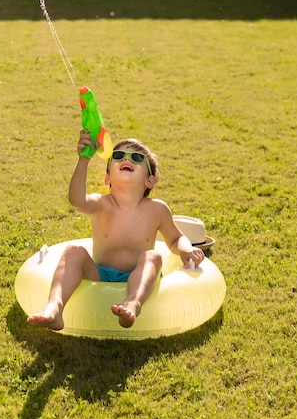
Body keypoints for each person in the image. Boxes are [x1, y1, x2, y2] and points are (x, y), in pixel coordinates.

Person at [27, 131, 205, 331]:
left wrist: (185, 249)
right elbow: (76, 201)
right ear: (107, 178)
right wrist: (84, 160)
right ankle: (55, 308)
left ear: (150, 181)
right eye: (119, 156)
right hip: (100, 273)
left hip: (139, 276)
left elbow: (175, 238)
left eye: (137, 158)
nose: (127, 158)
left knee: (153, 256)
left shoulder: (157, 209)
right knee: (73, 251)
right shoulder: (102, 204)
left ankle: (132, 304)